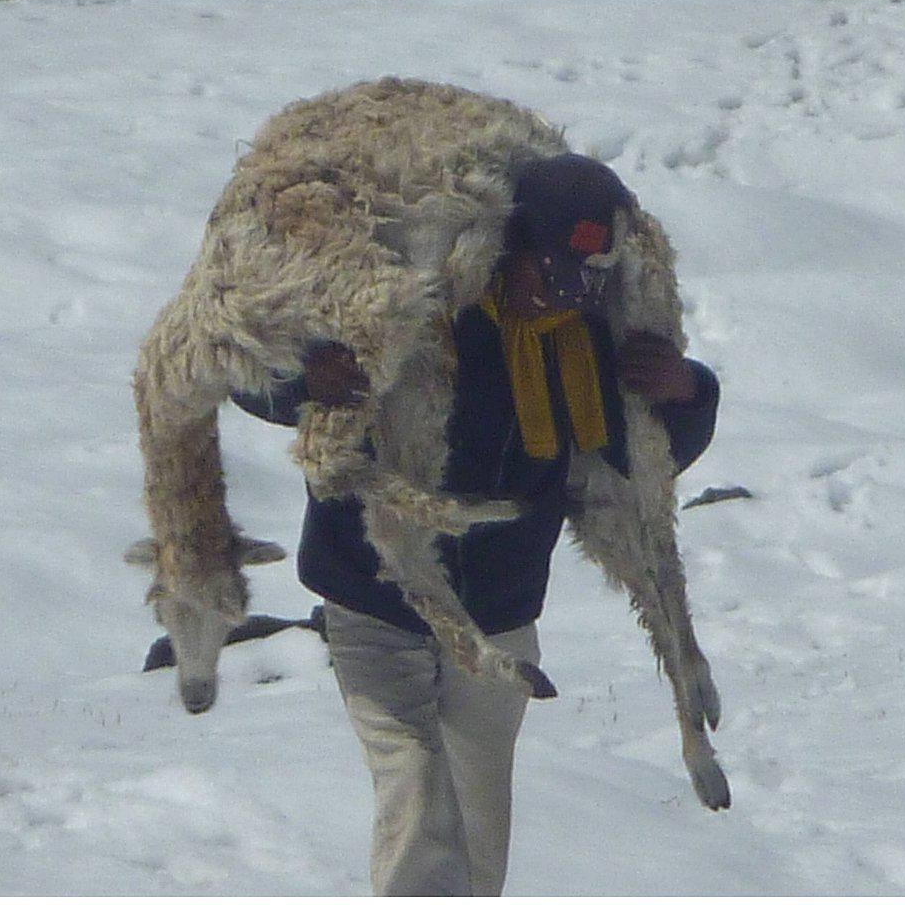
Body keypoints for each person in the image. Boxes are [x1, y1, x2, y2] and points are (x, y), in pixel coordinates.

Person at [233, 154, 719, 896]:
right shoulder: (413, 309)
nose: (567, 291)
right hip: (376, 598)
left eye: (587, 275)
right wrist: (310, 381)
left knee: (479, 816)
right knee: (417, 792)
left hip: (500, 613)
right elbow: (244, 376)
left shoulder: (585, 343)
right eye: (553, 269)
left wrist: (686, 390)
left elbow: (636, 465)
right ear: (508, 247)